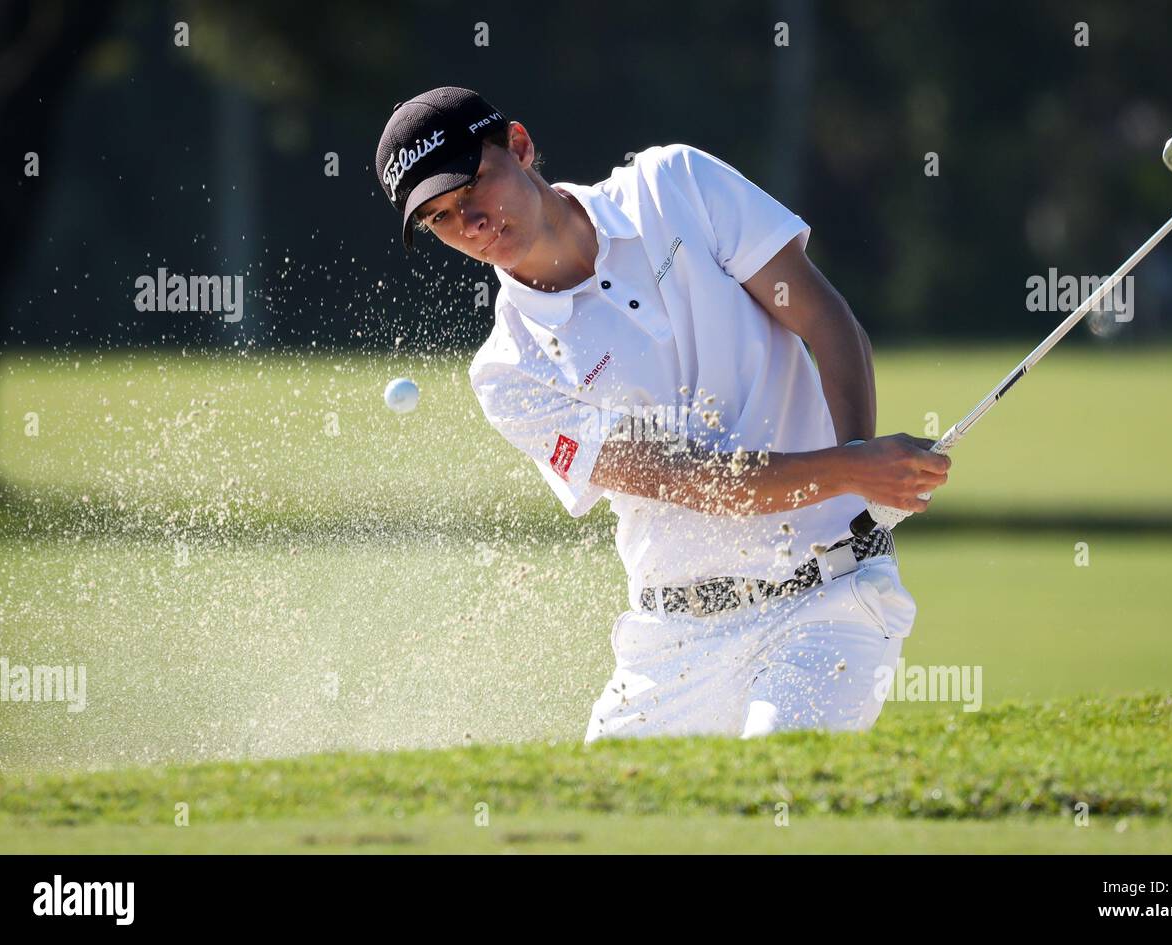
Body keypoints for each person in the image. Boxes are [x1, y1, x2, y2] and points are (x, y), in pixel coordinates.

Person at [373, 87, 951, 741]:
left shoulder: (673, 185)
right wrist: (852, 470)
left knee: (779, 790)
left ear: (521, 146)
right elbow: (694, 481)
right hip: (674, 640)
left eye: (476, 184)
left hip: (830, 599)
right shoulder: (509, 372)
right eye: (442, 218)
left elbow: (825, 319)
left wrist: (860, 476)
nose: (472, 222)